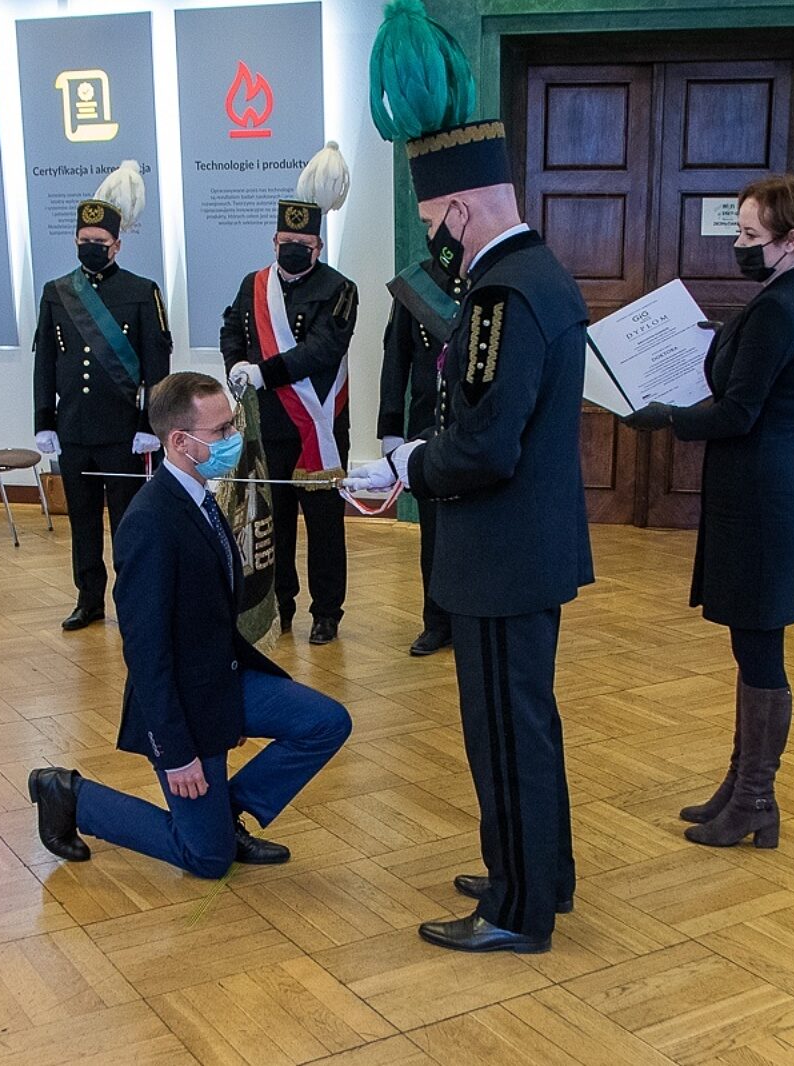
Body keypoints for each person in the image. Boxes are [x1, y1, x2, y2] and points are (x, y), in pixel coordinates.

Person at [345, 2, 593, 954]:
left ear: (457, 209)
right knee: (526, 720)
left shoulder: (499, 293)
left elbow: (485, 447)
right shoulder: (539, 274)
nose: (432, 239)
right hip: (525, 550)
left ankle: (516, 910)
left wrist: (405, 462)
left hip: (500, 555)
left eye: (430, 222)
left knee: (504, 729)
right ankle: (538, 873)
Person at [29, 372, 351, 878]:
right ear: (180, 441)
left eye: (231, 426)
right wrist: (177, 754)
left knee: (326, 723)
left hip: (222, 680)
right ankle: (70, 796)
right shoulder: (150, 521)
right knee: (208, 858)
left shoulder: (201, 495)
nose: (233, 439)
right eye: (221, 431)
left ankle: (223, 815)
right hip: (180, 707)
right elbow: (147, 652)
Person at [621, 175, 794, 850]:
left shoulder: (782, 308)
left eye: (749, 235)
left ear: (789, 239)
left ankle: (756, 801)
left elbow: (739, 413)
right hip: (765, 494)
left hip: (764, 501)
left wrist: (668, 418)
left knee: (761, 652)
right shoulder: (793, 297)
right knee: (752, 647)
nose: (738, 245)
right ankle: (741, 786)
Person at [223, 143, 358, 645]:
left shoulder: (340, 289)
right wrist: (236, 366)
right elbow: (231, 329)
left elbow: (322, 350)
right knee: (273, 523)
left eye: (304, 243)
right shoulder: (253, 285)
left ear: (318, 246)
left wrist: (264, 372)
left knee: (324, 528)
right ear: (274, 240)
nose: (294, 249)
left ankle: (326, 612)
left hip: (317, 428)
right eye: (286, 241)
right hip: (269, 427)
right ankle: (280, 603)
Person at [33, 160, 171, 631]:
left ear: (117, 244)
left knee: (128, 522)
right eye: (84, 241)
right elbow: (45, 361)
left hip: (122, 432)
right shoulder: (57, 292)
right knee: (83, 520)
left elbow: (156, 365)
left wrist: (150, 424)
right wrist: (44, 419)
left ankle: (132, 599)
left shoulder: (142, 291)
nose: (91, 248)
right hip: (73, 427)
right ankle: (88, 598)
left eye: (100, 242)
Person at [378, 255, 464, 656]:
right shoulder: (417, 284)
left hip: (475, 428)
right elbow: (396, 356)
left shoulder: (490, 276)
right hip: (427, 426)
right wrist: (391, 429)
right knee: (433, 531)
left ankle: (470, 619)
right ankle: (437, 621)